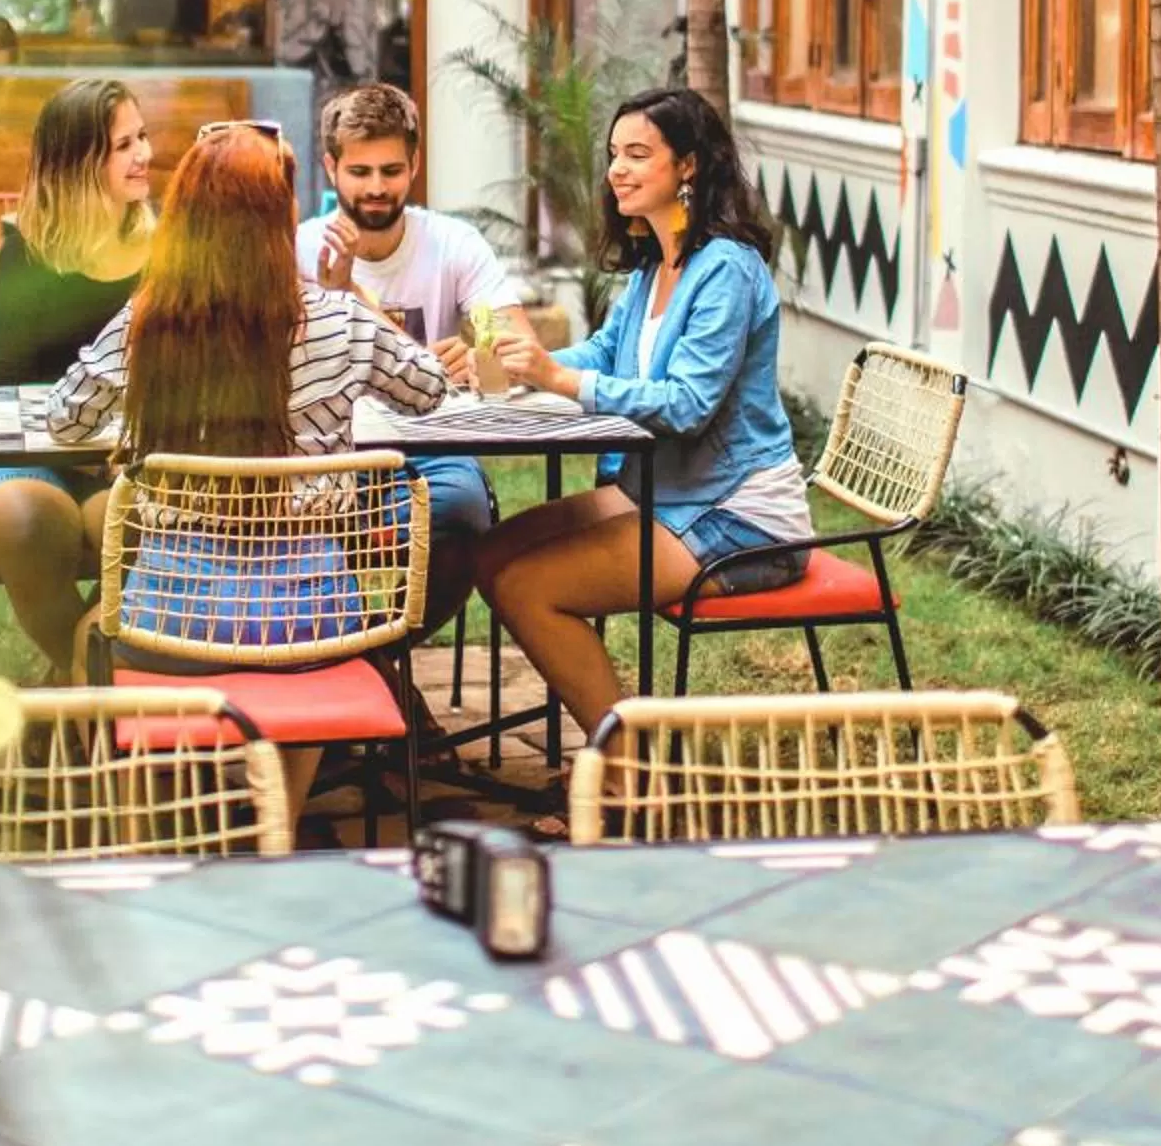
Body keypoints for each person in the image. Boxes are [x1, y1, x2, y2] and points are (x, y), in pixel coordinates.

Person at [45, 124, 447, 801]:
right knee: (310, 641)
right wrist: (355, 299)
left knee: (93, 636)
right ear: (282, 219)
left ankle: (147, 826)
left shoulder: (151, 320)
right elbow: (429, 391)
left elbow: (65, 417)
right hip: (314, 619)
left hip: (170, 617)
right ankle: (279, 824)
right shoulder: (338, 321)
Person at [477, 87, 812, 739]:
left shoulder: (728, 271)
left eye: (638, 154)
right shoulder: (657, 264)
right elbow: (608, 351)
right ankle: (612, 736)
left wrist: (557, 377)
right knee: (492, 556)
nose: (617, 170)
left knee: (528, 586)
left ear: (687, 165)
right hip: (667, 494)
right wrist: (520, 361)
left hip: (741, 518)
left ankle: (627, 777)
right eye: (613, 155)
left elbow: (687, 405)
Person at [295, 83, 529, 630]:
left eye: (391, 170)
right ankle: (367, 675)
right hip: (319, 451)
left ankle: (381, 664)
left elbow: (511, 338)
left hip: (429, 449)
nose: (377, 187)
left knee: (463, 515)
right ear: (331, 168)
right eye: (360, 172)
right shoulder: (297, 247)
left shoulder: (454, 243)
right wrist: (344, 292)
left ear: (415, 165)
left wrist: (480, 349)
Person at [0, 79, 153, 668]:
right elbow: (9, 390)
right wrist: (76, 448)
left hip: (132, 457)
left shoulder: (166, 249)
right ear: (78, 163)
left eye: (142, 136)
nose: (145, 154)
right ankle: (83, 682)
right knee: (20, 518)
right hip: (38, 449)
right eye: (123, 145)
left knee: (140, 524)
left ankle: (76, 698)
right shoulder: (27, 254)